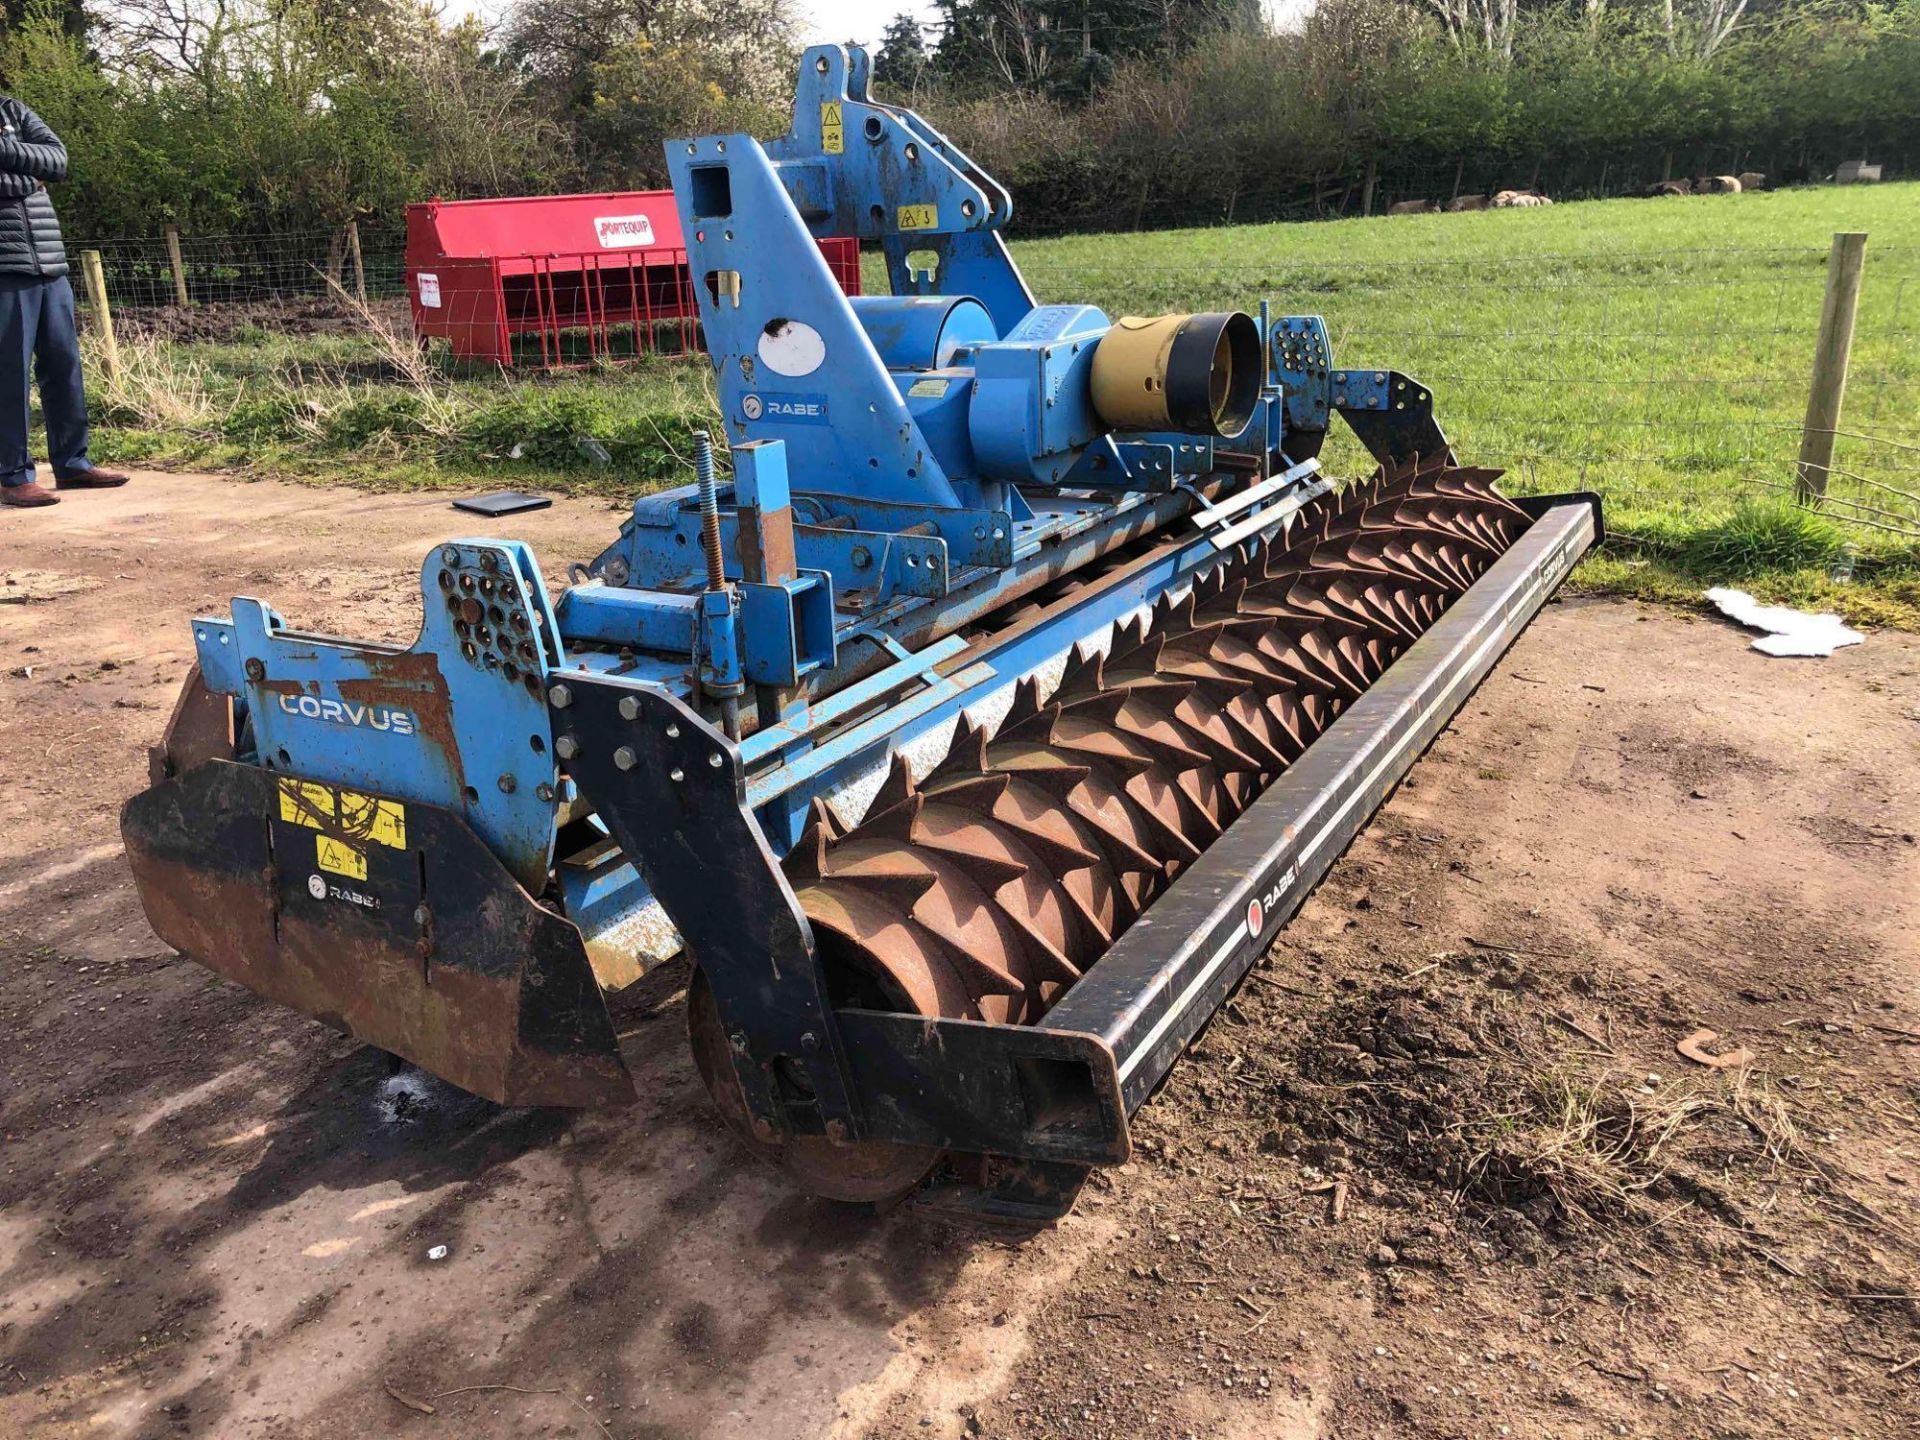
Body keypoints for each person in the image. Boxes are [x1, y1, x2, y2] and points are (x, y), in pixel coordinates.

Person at [0, 93, 128, 508]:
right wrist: (29, 177)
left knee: (64, 366)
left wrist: (14, 164)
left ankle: (72, 463)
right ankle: (12, 476)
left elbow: (57, 159)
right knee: (9, 375)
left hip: (49, 263)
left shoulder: (12, 109)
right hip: (4, 269)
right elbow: (40, 169)